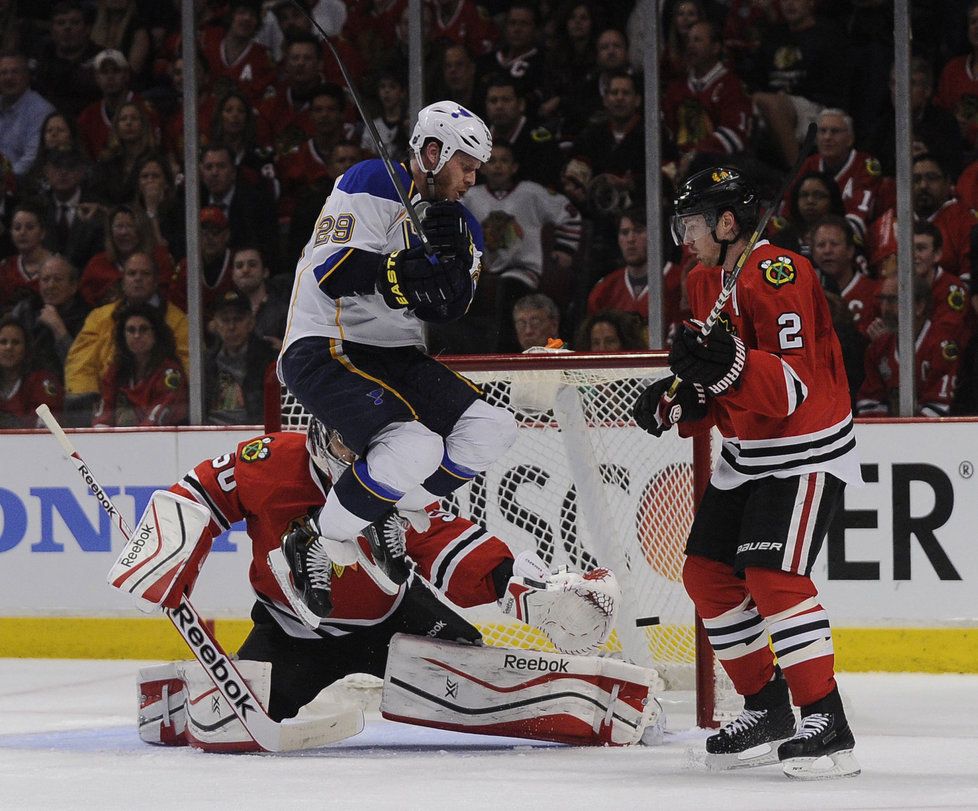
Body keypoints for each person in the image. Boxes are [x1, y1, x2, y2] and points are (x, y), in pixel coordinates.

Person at [137, 421, 623, 744]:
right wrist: (167, 550)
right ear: (319, 434)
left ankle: (586, 701)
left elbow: (440, 539)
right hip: (293, 634)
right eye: (344, 442)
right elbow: (196, 494)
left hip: (395, 619)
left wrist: (510, 585)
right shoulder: (268, 462)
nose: (354, 456)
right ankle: (177, 695)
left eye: (365, 445)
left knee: (476, 669)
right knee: (233, 726)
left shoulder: (394, 474)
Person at [632, 166, 861, 779]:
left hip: (804, 447)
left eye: (693, 222)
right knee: (706, 575)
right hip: (747, 453)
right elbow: (721, 378)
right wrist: (683, 398)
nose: (685, 236)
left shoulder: (779, 272)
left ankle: (827, 721)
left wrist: (726, 367)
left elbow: (789, 387)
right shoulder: (708, 279)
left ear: (728, 222)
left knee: (772, 577)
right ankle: (767, 707)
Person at [278, 100, 517, 608]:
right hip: (326, 342)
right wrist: (401, 273)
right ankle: (314, 538)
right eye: (466, 166)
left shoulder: (463, 227)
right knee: (416, 447)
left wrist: (448, 283)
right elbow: (333, 270)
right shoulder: (372, 180)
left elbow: (453, 312)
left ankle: (380, 507)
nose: (472, 180)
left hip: (397, 355)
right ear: (433, 152)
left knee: (492, 428)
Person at [463, 141, 581, 351]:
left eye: (504, 161)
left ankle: (506, 357)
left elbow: (569, 214)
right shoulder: (471, 196)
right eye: (492, 161)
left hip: (524, 271)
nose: (498, 166)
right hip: (483, 272)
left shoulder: (531, 193)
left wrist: (564, 250)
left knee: (508, 292)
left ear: (514, 167)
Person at [65, 250, 188, 425]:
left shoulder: (178, 321)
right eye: (131, 273)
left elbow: (188, 369)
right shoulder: (100, 319)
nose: (138, 278)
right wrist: (86, 408)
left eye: (145, 274)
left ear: (156, 281)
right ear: (122, 281)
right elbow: (81, 367)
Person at [857, 274, 959, 418]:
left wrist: (906, 434)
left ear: (919, 306)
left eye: (892, 300)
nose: (885, 308)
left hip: (938, 436)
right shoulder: (878, 348)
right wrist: (887, 434)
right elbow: (869, 401)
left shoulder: (942, 346)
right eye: (882, 299)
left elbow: (938, 406)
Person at [586, 206, 685, 343]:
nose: (630, 239)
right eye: (624, 232)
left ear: (656, 234)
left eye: (638, 230)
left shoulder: (680, 282)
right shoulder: (604, 290)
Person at [92, 300, 187, 426]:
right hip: (121, 441)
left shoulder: (170, 373)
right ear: (123, 335)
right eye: (131, 330)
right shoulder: (116, 370)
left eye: (143, 329)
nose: (137, 335)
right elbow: (105, 411)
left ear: (156, 333)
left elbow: (160, 415)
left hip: (160, 441)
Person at [9, 253, 89, 378]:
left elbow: (81, 369)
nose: (51, 286)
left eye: (58, 279)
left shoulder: (88, 318)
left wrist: (58, 328)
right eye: (45, 280)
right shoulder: (25, 310)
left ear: (73, 286)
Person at [204, 289, 277, 425]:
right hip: (209, 432)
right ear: (214, 324)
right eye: (225, 320)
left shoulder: (269, 359)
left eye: (238, 319)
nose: (231, 327)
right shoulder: (206, 362)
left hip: (254, 430)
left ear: (251, 322)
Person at [79, 203, 174, 308]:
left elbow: (167, 296)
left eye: (130, 226)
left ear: (142, 231)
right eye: (119, 226)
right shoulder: (97, 265)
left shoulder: (159, 259)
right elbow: (85, 303)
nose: (124, 232)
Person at [0, 314, 63, 427]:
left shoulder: (42, 381)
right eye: (3, 342)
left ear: (26, 348)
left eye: (15, 342)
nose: (8, 347)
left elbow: (45, 424)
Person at [0, 51, 55, 178]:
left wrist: (4, 180)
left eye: (15, 72)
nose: (9, 77)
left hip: (22, 186)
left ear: (27, 77)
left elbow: (30, 162)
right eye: (3, 73)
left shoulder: (40, 111)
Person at [0, 201, 52, 308]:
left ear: (42, 233)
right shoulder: (5, 267)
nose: (22, 232)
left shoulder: (59, 267)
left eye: (30, 227)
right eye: (17, 228)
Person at [574, 309, 644, 351]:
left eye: (610, 342)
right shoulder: (579, 374)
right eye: (596, 343)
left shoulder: (641, 374)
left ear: (625, 344)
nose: (602, 349)